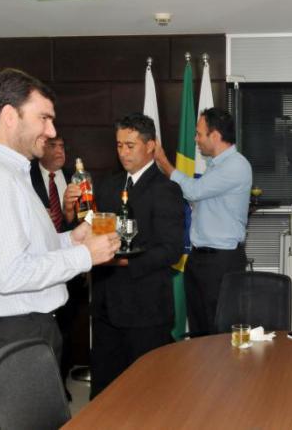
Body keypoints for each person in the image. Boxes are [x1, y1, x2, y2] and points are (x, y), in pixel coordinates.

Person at [0, 68, 121, 377]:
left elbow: (26, 248)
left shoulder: (6, 171)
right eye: (44, 118)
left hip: (15, 331)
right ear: (9, 116)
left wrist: (72, 240)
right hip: (12, 335)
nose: (52, 131)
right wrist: (85, 256)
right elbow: (10, 274)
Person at [86, 113, 184, 398]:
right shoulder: (109, 185)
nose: (123, 153)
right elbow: (96, 229)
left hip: (145, 308)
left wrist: (127, 261)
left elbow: (171, 249)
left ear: (150, 146)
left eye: (130, 146)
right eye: (119, 145)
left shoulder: (166, 189)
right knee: (105, 392)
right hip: (106, 305)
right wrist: (72, 214)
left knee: (146, 394)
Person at [153, 107, 252, 336]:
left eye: (199, 134)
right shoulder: (215, 165)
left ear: (214, 136)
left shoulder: (236, 165)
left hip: (221, 261)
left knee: (220, 332)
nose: (195, 139)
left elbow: (194, 191)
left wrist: (163, 162)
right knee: (200, 330)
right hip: (201, 258)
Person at [30, 133, 81, 400]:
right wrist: (42, 221)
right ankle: (44, 386)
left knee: (66, 329)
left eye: (62, 146)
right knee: (42, 332)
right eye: (53, 146)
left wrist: (68, 215)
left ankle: (60, 384)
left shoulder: (77, 178)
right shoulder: (26, 177)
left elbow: (87, 220)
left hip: (71, 265)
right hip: (39, 266)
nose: (60, 151)